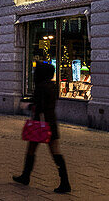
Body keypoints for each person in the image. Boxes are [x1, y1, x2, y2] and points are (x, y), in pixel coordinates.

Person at [13, 62, 70, 193]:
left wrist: (27, 106)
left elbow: (39, 106)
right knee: (55, 152)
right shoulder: (53, 86)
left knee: (32, 150)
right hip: (51, 122)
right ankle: (64, 181)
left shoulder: (40, 87)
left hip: (40, 125)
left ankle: (26, 176)